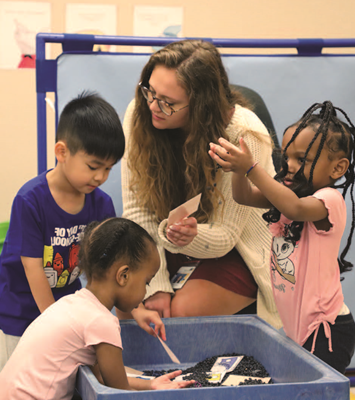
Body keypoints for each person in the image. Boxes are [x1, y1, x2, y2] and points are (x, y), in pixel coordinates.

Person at [0, 92, 163, 373]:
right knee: (21, 380)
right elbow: (34, 270)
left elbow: (112, 272)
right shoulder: (30, 201)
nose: (100, 177)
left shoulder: (101, 204)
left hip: (68, 313)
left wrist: (136, 310)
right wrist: (56, 324)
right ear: (62, 152)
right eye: (93, 166)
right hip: (22, 315)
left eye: (108, 168)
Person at [120, 39, 281, 328]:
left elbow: (226, 236)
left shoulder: (244, 134)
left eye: (168, 103)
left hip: (236, 250)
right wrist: (156, 284)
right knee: (123, 298)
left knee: (180, 313)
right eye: (150, 92)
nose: (154, 106)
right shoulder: (139, 113)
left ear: (201, 106)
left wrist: (190, 237)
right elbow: (136, 210)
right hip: (171, 241)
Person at [209, 101, 355, 373]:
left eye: (302, 159)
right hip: (297, 327)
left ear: (338, 168)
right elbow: (243, 196)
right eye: (287, 157)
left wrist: (251, 169)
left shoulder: (328, 200)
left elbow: (293, 208)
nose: (290, 166)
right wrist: (237, 170)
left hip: (326, 329)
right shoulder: (288, 196)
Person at [0, 218, 195, 400]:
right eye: (147, 282)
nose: (145, 292)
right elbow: (119, 392)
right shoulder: (102, 322)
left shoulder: (71, 304)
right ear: (123, 275)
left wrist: (151, 384)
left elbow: (100, 375)